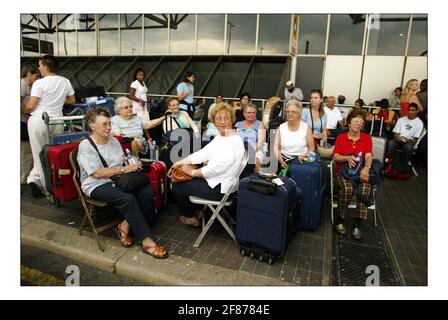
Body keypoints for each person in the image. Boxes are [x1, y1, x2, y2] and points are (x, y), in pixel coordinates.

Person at [77, 108, 168, 259]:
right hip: (95, 184)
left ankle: (125, 225)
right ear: (92, 126)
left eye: (110, 123)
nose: (109, 127)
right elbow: (97, 173)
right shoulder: (86, 146)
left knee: (147, 191)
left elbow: (121, 161)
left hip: (116, 179)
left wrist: (132, 164)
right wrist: (124, 169)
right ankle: (146, 241)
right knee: (128, 199)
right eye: (104, 124)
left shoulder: (113, 141)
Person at [169, 103, 245, 227]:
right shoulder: (221, 137)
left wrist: (193, 172)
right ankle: (192, 213)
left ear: (232, 119)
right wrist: (181, 162)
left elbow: (219, 167)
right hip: (216, 183)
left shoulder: (234, 140)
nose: (222, 122)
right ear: (214, 121)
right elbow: (203, 154)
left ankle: (190, 217)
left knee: (175, 185)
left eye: (226, 118)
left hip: (220, 189)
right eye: (218, 118)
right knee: (180, 179)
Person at [24, 55, 76, 197]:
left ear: (46, 66)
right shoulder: (65, 81)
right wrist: (57, 100)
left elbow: (30, 106)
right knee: (52, 153)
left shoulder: (39, 83)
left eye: (40, 65)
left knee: (39, 154)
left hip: (39, 121)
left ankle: (48, 189)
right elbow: (72, 100)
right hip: (57, 121)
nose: (39, 68)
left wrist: (24, 109)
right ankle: (34, 180)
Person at [333, 108, 373, 241]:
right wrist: (347, 158)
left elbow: (368, 155)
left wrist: (366, 168)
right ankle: (340, 219)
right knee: (348, 188)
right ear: (349, 123)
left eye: (361, 122)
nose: (358, 124)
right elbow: (336, 156)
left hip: (359, 172)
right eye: (356, 121)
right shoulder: (341, 137)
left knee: (366, 187)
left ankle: (357, 224)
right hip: (342, 173)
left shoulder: (366, 138)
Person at [274, 100, 315, 169]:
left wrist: (304, 158)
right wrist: (281, 161)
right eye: (288, 111)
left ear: (299, 114)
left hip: (302, 160)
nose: (290, 113)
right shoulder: (280, 127)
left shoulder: (306, 127)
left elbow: (311, 148)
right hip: (284, 160)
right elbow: (276, 148)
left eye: (293, 112)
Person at [20, 64, 40, 185]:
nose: (37, 79)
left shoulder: (29, 86)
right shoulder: (22, 84)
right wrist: (25, 112)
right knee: (25, 151)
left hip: (24, 120)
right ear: (28, 74)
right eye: (36, 76)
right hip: (22, 122)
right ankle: (23, 178)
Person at [387, 103, 423, 167]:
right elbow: (395, 135)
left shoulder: (419, 123)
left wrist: (407, 140)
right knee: (390, 143)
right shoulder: (401, 120)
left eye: (413, 110)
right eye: (409, 110)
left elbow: (415, 140)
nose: (410, 112)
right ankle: (389, 164)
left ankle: (403, 167)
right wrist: (400, 138)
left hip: (409, 142)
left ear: (417, 111)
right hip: (399, 140)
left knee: (408, 147)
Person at [235, 103, 267, 172]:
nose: (251, 114)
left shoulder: (260, 124)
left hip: (256, 149)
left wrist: (250, 151)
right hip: (240, 149)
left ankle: (256, 179)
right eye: (249, 112)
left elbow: (260, 142)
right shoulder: (238, 124)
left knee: (256, 161)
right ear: (244, 113)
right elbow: (235, 140)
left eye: (253, 113)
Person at [128, 68, 151, 140]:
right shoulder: (134, 83)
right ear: (136, 75)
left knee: (145, 123)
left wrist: (147, 97)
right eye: (140, 75)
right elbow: (131, 96)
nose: (142, 76)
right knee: (139, 123)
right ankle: (148, 139)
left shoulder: (143, 83)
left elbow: (142, 93)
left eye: (143, 75)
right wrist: (140, 100)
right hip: (137, 106)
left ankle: (147, 140)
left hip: (144, 105)